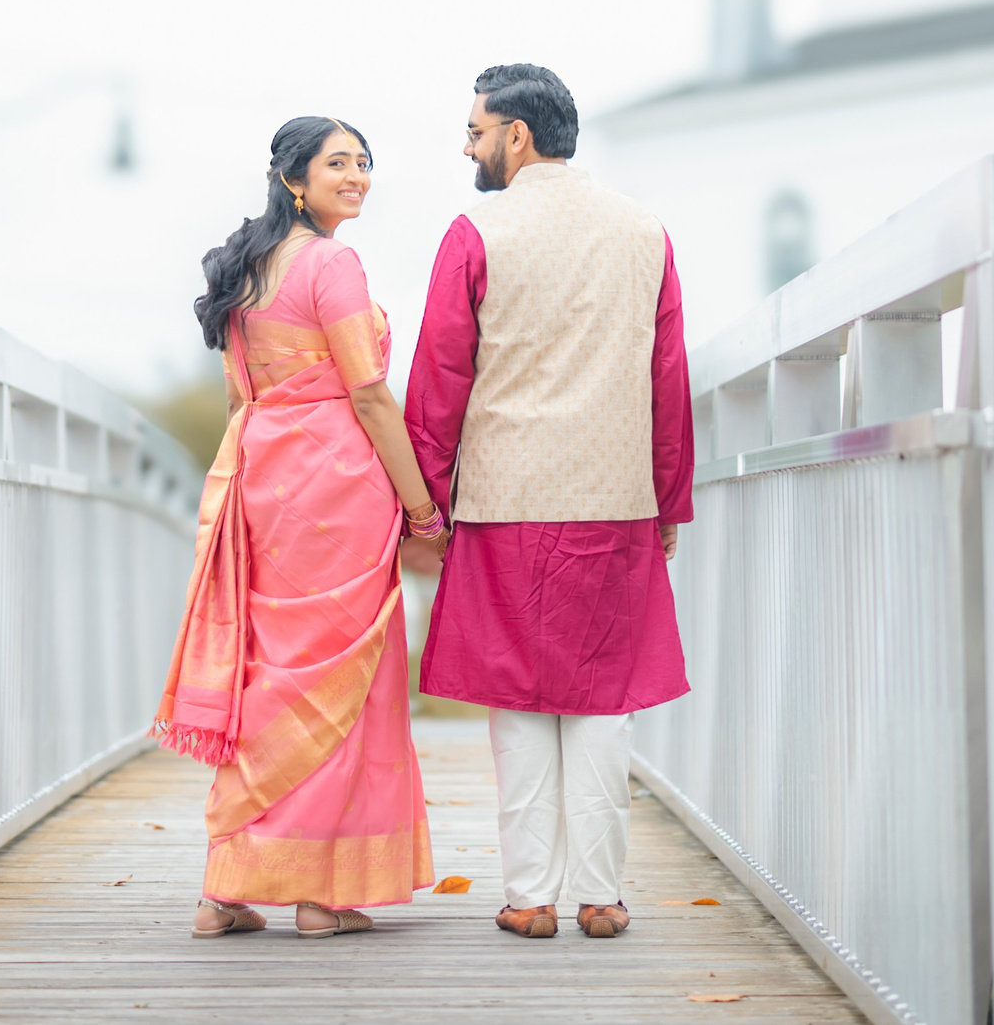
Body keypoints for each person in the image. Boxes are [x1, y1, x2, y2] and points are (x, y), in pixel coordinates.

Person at [405, 64, 693, 941]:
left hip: (505, 499)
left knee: (519, 699)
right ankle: (601, 895)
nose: (468, 145)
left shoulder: (476, 231)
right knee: (604, 700)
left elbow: (441, 377)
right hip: (612, 495)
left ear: (517, 135)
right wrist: (669, 499)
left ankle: (529, 893)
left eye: (477, 129)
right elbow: (668, 377)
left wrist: (425, 500)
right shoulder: (645, 231)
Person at [157, 115, 446, 940]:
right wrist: (422, 506)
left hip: (263, 478)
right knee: (342, 681)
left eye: (364, 163)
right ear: (293, 178)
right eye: (338, 163)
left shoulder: (243, 268)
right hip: (338, 486)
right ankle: (321, 895)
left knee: (271, 672)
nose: (356, 176)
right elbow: (368, 394)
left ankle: (226, 888)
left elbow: (240, 397)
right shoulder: (331, 262)